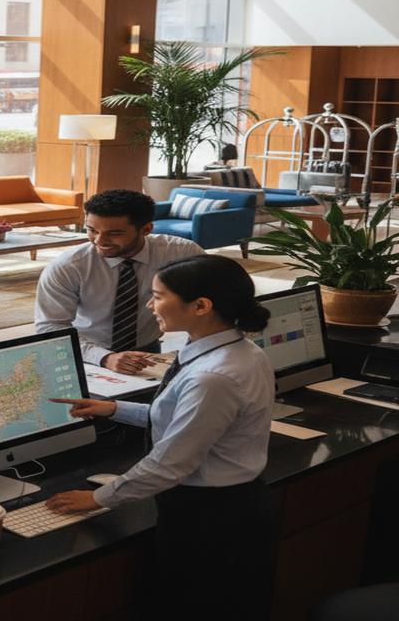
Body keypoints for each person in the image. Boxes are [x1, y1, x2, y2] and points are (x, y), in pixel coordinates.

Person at [46, 255, 277, 619]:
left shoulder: (213, 377)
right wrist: (115, 409)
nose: (150, 305)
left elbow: (171, 464)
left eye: (158, 295)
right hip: (234, 505)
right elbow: (184, 421)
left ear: (201, 306)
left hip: (210, 519)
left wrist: (97, 498)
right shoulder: (240, 351)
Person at [34, 189, 204, 373]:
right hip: (85, 354)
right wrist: (104, 357)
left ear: (146, 229)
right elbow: (50, 327)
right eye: (92, 230)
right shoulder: (69, 265)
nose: (100, 240)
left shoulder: (183, 254)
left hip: (148, 351)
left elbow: (217, 302)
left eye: (114, 233)